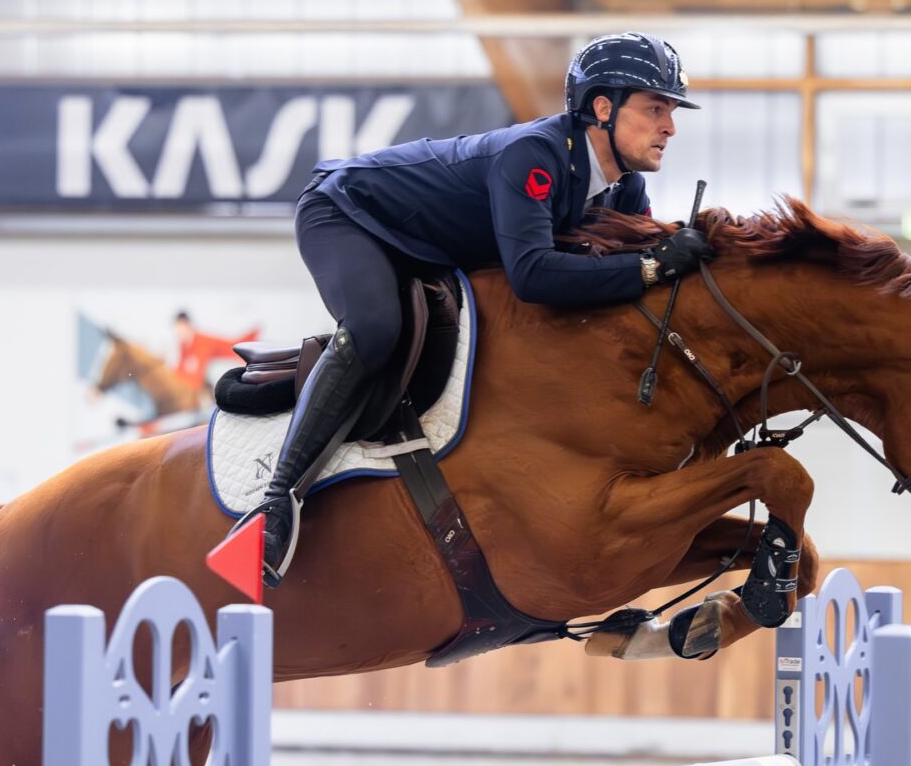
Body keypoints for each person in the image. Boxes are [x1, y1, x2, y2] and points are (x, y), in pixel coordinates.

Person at [232, 31, 716, 588]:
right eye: (656, 108)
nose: (670, 127)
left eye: (672, 111)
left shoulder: (623, 188)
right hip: (348, 213)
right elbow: (533, 275)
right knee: (376, 325)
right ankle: (275, 505)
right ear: (602, 108)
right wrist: (652, 267)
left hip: (428, 244)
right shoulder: (533, 157)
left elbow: (631, 276)